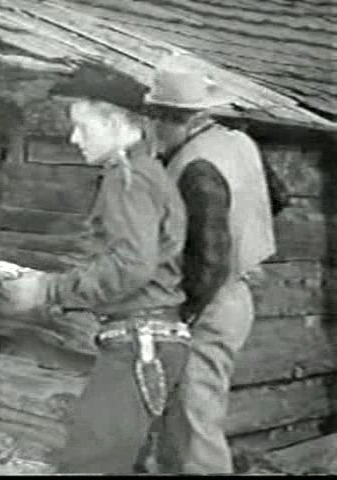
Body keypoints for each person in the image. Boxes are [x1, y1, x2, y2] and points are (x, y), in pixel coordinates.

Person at [0, 66, 191, 474]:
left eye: (83, 127)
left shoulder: (129, 178)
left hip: (140, 342)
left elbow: (131, 265)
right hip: (145, 338)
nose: (74, 138)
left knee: (90, 465)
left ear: (116, 123)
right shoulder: (142, 172)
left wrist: (48, 290)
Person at [144, 55, 276, 474]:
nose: (152, 131)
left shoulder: (196, 168)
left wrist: (183, 316)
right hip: (235, 291)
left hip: (210, 303)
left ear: (172, 119)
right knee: (180, 419)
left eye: (156, 120)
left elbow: (211, 260)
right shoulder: (237, 142)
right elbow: (278, 197)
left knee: (195, 421)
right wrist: (246, 238)